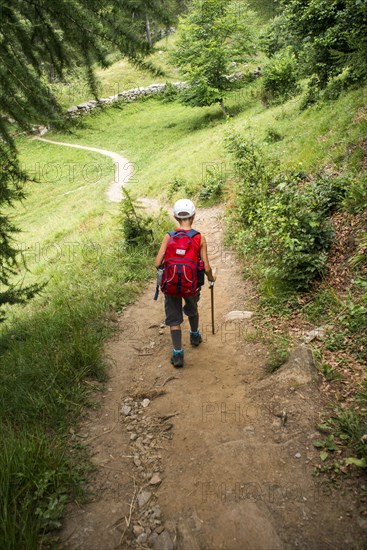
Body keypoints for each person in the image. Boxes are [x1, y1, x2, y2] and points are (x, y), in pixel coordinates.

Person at [155, 199, 216, 368]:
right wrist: (211, 279)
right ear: (194, 215)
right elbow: (206, 266)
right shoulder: (199, 238)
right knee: (192, 310)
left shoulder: (169, 236)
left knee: (174, 319)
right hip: (191, 285)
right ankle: (195, 335)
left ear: (175, 217)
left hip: (171, 286)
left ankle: (178, 354)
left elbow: (157, 262)